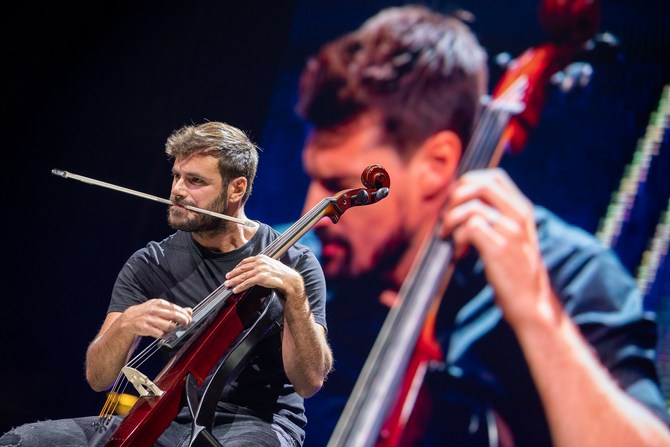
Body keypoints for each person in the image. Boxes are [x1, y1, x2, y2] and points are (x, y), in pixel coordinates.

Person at [295, 4, 670, 446]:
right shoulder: (304, 269)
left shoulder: (568, 275)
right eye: (313, 178)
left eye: (339, 185)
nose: (313, 209)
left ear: (436, 164)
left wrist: (536, 315)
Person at [1, 121, 333, 446]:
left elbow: (309, 382)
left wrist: (296, 297)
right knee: (22, 440)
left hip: (254, 423)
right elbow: (99, 378)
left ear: (237, 188)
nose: (177, 190)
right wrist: (126, 326)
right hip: (165, 413)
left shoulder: (294, 264)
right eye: (176, 176)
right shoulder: (151, 262)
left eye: (195, 181)